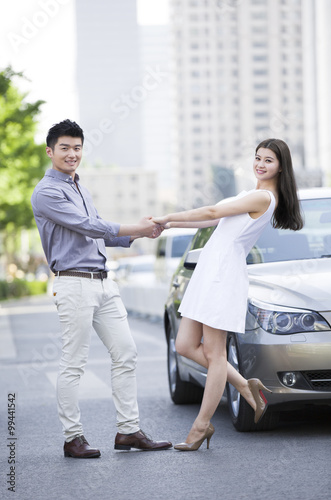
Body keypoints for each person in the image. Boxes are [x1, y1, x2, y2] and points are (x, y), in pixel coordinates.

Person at [31, 119, 172, 458]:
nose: (72, 153)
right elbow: (88, 225)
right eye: (64, 147)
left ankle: (128, 431)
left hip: (103, 282)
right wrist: (134, 226)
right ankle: (72, 437)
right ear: (50, 151)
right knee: (74, 363)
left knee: (126, 352)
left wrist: (141, 232)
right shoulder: (47, 191)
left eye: (77, 147)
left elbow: (100, 233)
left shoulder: (80, 186)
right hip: (74, 283)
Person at [153, 138, 303, 451]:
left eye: (269, 161)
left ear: (281, 167)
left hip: (223, 276)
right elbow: (213, 218)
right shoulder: (252, 194)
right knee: (184, 344)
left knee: (215, 353)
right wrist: (169, 224)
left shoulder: (263, 197)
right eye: (258, 158)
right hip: (209, 272)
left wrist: (168, 216)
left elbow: (210, 208)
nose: (260, 164)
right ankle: (247, 387)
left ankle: (201, 426)